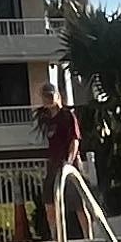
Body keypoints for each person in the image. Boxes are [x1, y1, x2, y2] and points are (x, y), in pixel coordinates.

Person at [39, 90, 83, 224]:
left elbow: (75, 140)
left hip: (69, 164)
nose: (47, 99)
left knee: (79, 204)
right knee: (49, 201)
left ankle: (88, 234)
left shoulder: (67, 116)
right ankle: (55, 233)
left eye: (50, 96)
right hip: (54, 163)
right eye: (45, 97)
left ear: (57, 97)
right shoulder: (48, 120)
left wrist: (69, 162)